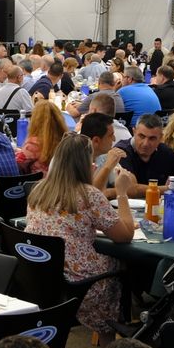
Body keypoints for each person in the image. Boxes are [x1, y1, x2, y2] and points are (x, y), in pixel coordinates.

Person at [26, 135, 136, 332]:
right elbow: (125, 236)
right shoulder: (88, 195)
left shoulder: (38, 190)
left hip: (41, 278)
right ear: (85, 163)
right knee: (127, 264)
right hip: (80, 284)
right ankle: (110, 335)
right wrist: (122, 193)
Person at [110, 113, 174, 197]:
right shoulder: (121, 151)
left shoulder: (165, 151)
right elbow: (131, 189)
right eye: (141, 136)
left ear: (161, 138)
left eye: (152, 138)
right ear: (134, 132)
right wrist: (173, 189)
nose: (145, 143)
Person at [15, 100, 65, 175]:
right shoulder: (65, 140)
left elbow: (18, 163)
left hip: (39, 184)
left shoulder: (34, 143)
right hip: (61, 181)